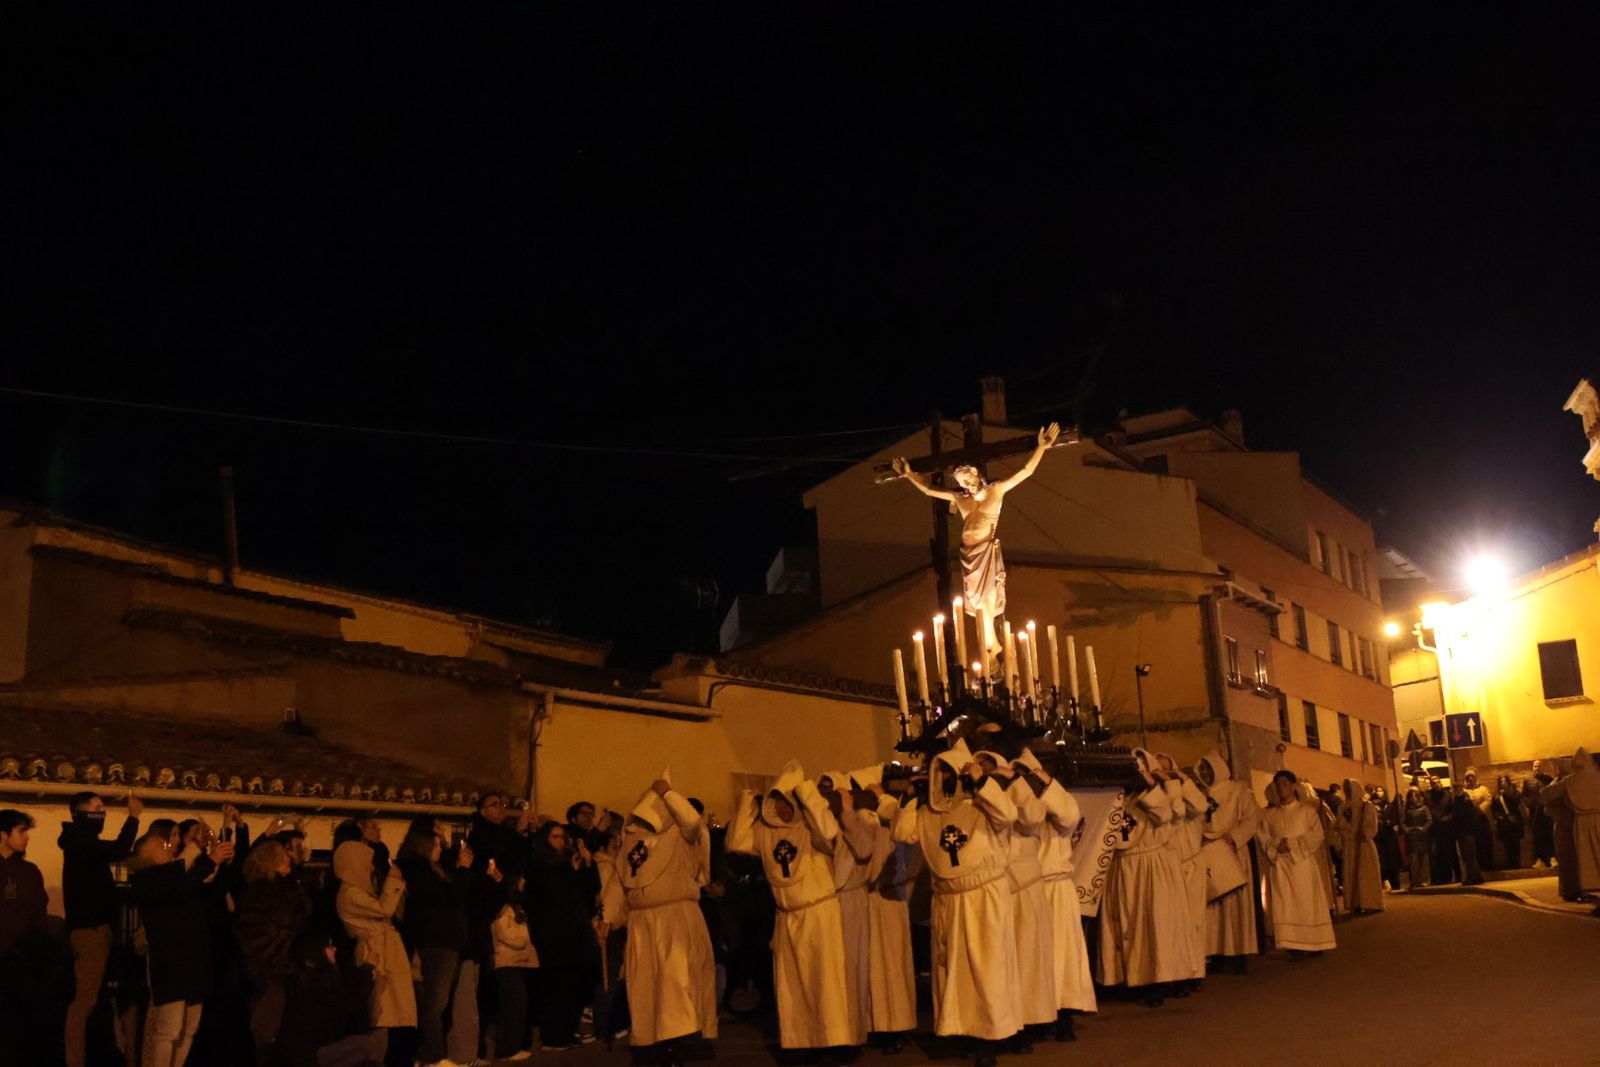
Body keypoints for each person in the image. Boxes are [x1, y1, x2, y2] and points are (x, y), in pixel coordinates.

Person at [894, 740, 1020, 1066]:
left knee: (985, 972)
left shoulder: (984, 807)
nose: (948, 779)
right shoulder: (928, 814)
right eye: (943, 773)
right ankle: (963, 1030)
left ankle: (989, 1039)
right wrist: (909, 795)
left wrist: (980, 781)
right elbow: (902, 832)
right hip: (948, 901)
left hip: (982, 900)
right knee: (954, 973)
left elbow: (1008, 814)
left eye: (953, 773)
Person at [726, 760, 859, 1052]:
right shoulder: (766, 832)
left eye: (787, 802)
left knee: (825, 982)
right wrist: (748, 801)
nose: (783, 808)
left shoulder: (811, 829)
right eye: (777, 801)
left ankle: (833, 1043)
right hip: (787, 917)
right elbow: (736, 841)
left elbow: (829, 833)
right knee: (793, 986)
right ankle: (802, 1042)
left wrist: (806, 792)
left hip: (819, 914)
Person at [890, 421, 1061, 628]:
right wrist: (909, 474)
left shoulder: (996, 491)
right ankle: (991, 646)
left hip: (985, 551)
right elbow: (928, 489)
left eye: (969, 480)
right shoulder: (960, 498)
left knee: (986, 599)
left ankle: (992, 646)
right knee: (976, 600)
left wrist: (1041, 447)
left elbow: (1025, 471)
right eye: (963, 483)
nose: (967, 486)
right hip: (968, 555)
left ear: (977, 475)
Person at [616, 773, 719, 1063]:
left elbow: (691, 821)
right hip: (641, 923)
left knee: (676, 983)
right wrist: (609, 917)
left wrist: (668, 793)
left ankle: (683, 1041)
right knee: (646, 987)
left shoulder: (679, 834)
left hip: (674, 917)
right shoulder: (631, 842)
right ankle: (652, 1043)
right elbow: (620, 882)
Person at [130, 822, 235, 1067]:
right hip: (171, 961)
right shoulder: (148, 879)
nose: (171, 845)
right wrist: (207, 856)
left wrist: (208, 851)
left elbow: (202, 877)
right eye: (163, 842)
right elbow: (179, 883)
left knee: (190, 1026)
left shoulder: (174, 874)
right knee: (169, 1028)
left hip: (194, 957)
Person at [974, 747, 1055, 1048]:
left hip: (1025, 887)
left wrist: (1013, 783)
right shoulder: (977, 798)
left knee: (1029, 959)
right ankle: (1007, 1022)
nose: (982, 769)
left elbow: (1033, 817)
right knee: (1002, 963)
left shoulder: (1019, 792)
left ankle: (1032, 1021)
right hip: (995, 889)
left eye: (988, 765)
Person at [1099, 751, 1190, 1006]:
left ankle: (1158, 980)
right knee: (1125, 924)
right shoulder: (1120, 799)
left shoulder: (1156, 798)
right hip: (1123, 866)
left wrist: (1151, 783)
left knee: (1152, 926)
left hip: (1150, 868)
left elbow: (1166, 814)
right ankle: (1129, 978)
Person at [60, 788, 143, 1067]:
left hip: (100, 929)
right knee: (85, 1000)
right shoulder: (79, 842)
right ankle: (76, 1060)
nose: (103, 812)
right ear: (83, 813)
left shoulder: (81, 843)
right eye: (97, 807)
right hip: (91, 929)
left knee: (102, 997)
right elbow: (119, 849)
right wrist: (133, 817)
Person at [1027, 750, 1096, 1039]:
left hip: (1056, 888)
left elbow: (1069, 817)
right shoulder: (1017, 805)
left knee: (1063, 954)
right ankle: (1038, 1014)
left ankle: (1064, 1013)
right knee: (1036, 955)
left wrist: (1044, 784)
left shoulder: (1061, 801)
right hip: (1030, 889)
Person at [396, 823, 476, 1067]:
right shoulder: (421, 873)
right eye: (437, 845)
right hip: (436, 941)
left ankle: (428, 1052)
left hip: (444, 940)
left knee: (434, 1002)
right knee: (435, 1002)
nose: (440, 849)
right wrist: (463, 870)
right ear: (425, 847)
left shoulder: (431, 870)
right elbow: (451, 897)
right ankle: (433, 1055)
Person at [856, 767, 923, 1051]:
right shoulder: (868, 822)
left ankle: (897, 1025)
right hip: (868, 901)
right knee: (872, 967)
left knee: (893, 968)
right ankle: (874, 1024)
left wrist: (882, 799)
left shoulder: (898, 818)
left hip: (889, 900)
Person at [523, 820, 601, 1051]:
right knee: (556, 985)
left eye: (562, 837)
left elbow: (588, 891)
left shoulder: (568, 863)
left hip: (575, 930)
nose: (561, 842)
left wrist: (587, 864)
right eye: (555, 837)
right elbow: (551, 893)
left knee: (575, 981)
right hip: (552, 932)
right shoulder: (539, 865)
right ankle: (554, 1036)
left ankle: (566, 1031)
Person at [333, 838, 415, 1057]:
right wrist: (394, 881)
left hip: (384, 950)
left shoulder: (358, 891)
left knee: (393, 1014)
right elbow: (384, 909)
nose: (370, 867)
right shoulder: (350, 894)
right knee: (384, 1014)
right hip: (377, 954)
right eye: (366, 862)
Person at [236, 838, 313, 1060]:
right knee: (270, 1031)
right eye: (282, 856)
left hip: (275, 967)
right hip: (273, 969)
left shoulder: (273, 888)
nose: (288, 858)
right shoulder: (265, 891)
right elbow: (288, 921)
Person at [817, 769, 875, 1045]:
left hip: (849, 898)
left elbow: (864, 849)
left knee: (850, 968)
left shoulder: (858, 819)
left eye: (831, 788)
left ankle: (851, 1034)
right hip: (822, 901)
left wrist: (847, 813)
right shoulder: (816, 822)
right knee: (827, 972)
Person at [277, 930, 385, 1067]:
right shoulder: (315, 982)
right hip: (311, 1055)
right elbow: (349, 999)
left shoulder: (305, 980)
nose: (334, 949)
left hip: (311, 1052)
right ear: (315, 952)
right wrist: (367, 968)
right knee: (370, 1045)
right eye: (328, 946)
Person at [1257, 771, 1335, 959]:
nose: (1281, 788)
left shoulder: (1306, 811)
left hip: (1302, 865)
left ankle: (1314, 942)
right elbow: (1263, 836)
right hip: (1282, 866)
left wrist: (1291, 844)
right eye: (1277, 784)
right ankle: (1293, 945)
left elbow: (1317, 835)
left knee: (1306, 903)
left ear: (1293, 786)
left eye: (1284, 783)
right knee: (1287, 906)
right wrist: (1276, 845)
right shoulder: (1271, 814)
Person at [1194, 749, 1260, 974]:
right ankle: (1215, 951)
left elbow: (1252, 818)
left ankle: (1239, 952)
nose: (1205, 772)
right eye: (1201, 768)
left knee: (1235, 904)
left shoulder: (1238, 792)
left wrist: (1232, 837)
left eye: (1208, 767)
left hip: (1231, 850)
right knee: (1212, 906)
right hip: (1207, 852)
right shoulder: (1200, 795)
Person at [0, 809, 51, 1065]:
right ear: (3, 834)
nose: (26, 838)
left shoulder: (29, 871)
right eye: (21, 831)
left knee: (20, 1027)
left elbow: (39, 913)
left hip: (23, 961)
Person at [1539, 747, 1600, 911]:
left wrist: (1557, 780)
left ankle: (1589, 888)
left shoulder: (1571, 780)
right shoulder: (1596, 776)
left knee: (1587, 858)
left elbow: (1544, 794)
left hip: (1582, 823)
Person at [490, 882, 540, 1061]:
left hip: (517, 961)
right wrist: (524, 940)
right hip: (508, 960)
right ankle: (507, 1049)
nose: (523, 883)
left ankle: (514, 1045)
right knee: (512, 1006)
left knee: (518, 1006)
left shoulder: (516, 908)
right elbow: (505, 933)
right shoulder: (504, 909)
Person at [1337, 779, 1384, 914]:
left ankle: (1370, 902)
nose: (1348, 792)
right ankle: (1355, 902)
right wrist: (1342, 838)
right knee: (1351, 874)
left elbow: (1371, 824)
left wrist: (1364, 834)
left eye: (1350, 788)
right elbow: (1338, 826)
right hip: (1349, 846)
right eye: (1346, 789)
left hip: (1363, 845)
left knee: (1365, 875)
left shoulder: (1366, 807)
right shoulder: (1342, 807)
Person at [1449, 782, 1484, 886]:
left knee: (1469, 855)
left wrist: (1469, 830)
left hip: (1467, 831)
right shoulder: (1455, 800)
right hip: (1461, 832)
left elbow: (1469, 816)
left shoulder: (1465, 800)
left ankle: (1473, 877)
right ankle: (1475, 876)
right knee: (1467, 855)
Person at [1463, 768, 1496, 870]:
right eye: (1468, 777)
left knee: (1485, 843)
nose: (1470, 778)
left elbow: (1488, 800)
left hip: (1481, 819)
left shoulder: (1483, 789)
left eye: (1472, 776)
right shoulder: (1465, 791)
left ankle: (1488, 865)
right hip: (1470, 821)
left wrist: (1479, 810)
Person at [1524, 765, 1556, 868]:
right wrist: (1530, 804)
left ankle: (1552, 857)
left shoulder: (1548, 779)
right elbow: (1524, 795)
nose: (1537, 768)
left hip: (1547, 813)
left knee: (1549, 835)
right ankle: (1540, 859)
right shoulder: (1528, 781)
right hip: (1535, 813)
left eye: (1539, 766)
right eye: (1535, 766)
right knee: (1537, 836)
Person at [1372, 786, 1404, 891]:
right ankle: (1385, 882)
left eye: (1380, 791)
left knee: (1392, 860)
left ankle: (1395, 884)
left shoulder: (1389, 806)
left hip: (1389, 836)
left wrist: (1390, 823)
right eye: (1377, 791)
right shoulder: (1372, 806)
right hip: (1379, 837)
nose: (1378, 793)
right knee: (1383, 861)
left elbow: (1395, 818)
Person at [1492, 775, 1525, 870]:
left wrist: (1506, 793)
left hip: (1514, 821)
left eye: (1505, 781)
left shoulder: (1513, 792)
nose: (1503, 783)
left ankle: (1517, 864)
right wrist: (1498, 817)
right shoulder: (1497, 795)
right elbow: (1494, 808)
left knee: (1516, 843)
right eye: (1501, 782)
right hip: (1504, 823)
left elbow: (1516, 800)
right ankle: (1510, 864)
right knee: (1507, 845)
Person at [1401, 788, 1432, 890]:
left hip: (1422, 836)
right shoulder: (1406, 810)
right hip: (1411, 837)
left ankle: (1425, 880)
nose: (1413, 798)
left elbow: (1429, 820)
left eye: (1415, 796)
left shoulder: (1424, 808)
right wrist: (1407, 830)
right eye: (1411, 796)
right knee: (1413, 859)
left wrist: (1423, 829)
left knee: (1424, 859)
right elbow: (1403, 822)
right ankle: (1415, 880)